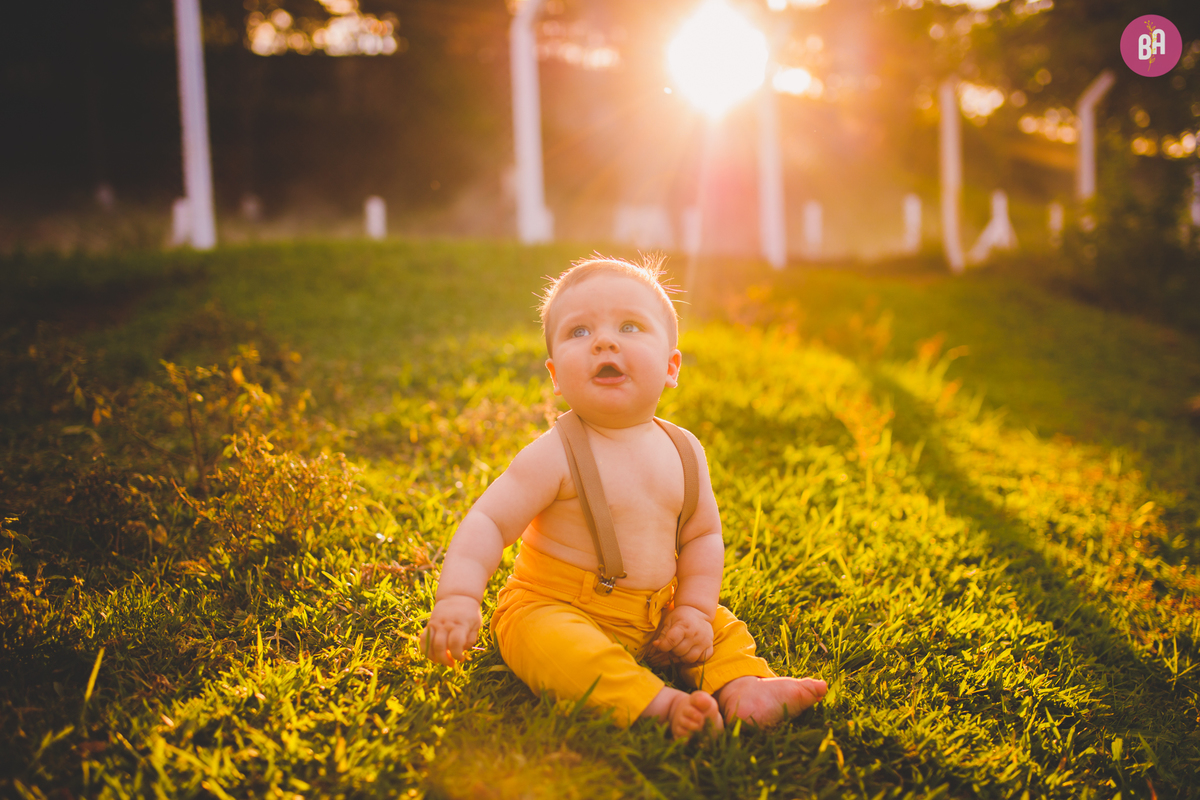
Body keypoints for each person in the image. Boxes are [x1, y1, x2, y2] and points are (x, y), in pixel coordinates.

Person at [419, 255, 827, 738]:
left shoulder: (685, 450)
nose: (604, 341)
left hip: (658, 611)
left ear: (671, 366)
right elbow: (488, 521)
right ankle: (654, 704)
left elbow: (702, 537)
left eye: (630, 326)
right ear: (554, 375)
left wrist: (693, 611)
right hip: (555, 605)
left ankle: (743, 685)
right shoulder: (555, 454)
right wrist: (460, 596)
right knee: (551, 645)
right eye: (578, 332)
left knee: (718, 627)